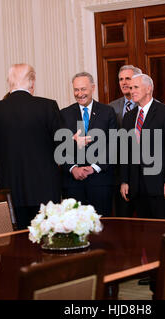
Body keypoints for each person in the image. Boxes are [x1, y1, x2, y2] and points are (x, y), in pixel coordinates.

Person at [0, 63, 62, 229]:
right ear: (32, 82)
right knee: (47, 240)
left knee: (16, 243)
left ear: (9, 82)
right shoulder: (48, 107)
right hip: (45, 188)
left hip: (10, 188)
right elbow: (61, 145)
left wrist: (4, 157)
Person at [120, 74, 165, 219]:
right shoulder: (129, 117)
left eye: (136, 87)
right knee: (145, 233)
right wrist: (125, 181)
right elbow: (125, 152)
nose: (132, 91)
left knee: (164, 229)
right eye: (130, 88)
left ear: (148, 89)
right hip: (136, 187)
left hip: (161, 186)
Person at [60, 72, 117, 216]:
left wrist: (94, 168)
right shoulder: (63, 114)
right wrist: (73, 168)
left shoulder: (107, 112)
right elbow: (59, 147)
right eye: (76, 90)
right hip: (73, 184)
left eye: (83, 89)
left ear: (93, 88)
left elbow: (114, 145)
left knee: (103, 228)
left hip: (100, 182)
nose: (80, 94)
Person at [109, 65, 142, 217]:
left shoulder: (148, 106)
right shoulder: (111, 108)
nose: (123, 82)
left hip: (143, 171)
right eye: (121, 79)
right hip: (119, 174)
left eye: (127, 78)